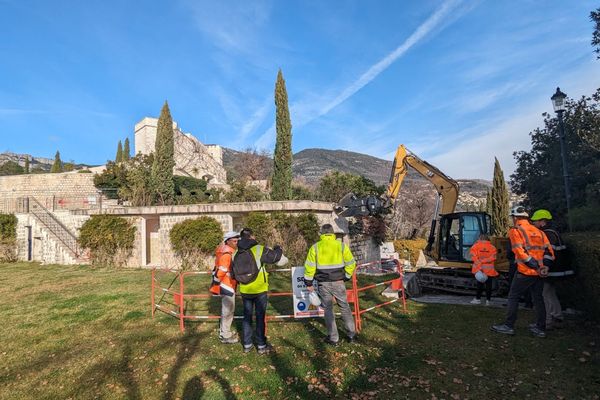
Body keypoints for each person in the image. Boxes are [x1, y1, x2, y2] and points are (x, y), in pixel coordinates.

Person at [492, 206, 554, 338]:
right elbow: (549, 252)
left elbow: (520, 253)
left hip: (525, 271)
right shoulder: (540, 232)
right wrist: (545, 267)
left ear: (515, 218)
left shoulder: (516, 230)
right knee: (538, 298)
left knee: (513, 296)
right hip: (540, 273)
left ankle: (508, 326)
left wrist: (535, 266)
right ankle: (540, 328)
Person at [236, 227, 287, 355]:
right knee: (260, 317)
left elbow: (233, 272)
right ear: (252, 236)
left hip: (244, 289)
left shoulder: (235, 252)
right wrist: (278, 248)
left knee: (247, 317)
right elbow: (275, 257)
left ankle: (247, 345)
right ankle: (261, 345)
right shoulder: (259, 249)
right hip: (259, 289)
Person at [303, 224, 357, 346]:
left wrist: (308, 283)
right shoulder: (341, 246)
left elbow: (309, 267)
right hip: (339, 281)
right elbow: (351, 263)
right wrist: (346, 276)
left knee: (328, 309)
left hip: (323, 283)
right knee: (344, 306)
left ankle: (333, 338)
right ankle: (351, 334)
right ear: (333, 233)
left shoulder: (315, 247)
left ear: (321, 233)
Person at [531, 209, 573, 329]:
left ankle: (547, 321)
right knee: (550, 293)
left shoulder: (547, 234)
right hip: (557, 270)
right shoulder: (554, 233)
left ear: (543, 221)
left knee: (544, 294)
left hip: (550, 270)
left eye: (535, 221)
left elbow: (548, 253)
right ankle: (557, 317)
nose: (534, 223)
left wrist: (544, 267)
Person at [209, 231, 240, 344]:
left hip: (226, 284)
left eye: (237, 241)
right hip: (227, 285)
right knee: (228, 311)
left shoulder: (224, 250)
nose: (237, 243)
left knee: (228, 310)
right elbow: (222, 270)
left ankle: (225, 331)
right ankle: (225, 335)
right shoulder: (227, 254)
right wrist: (216, 282)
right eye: (234, 241)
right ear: (228, 241)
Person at [469, 233, 498, 306]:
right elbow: (493, 258)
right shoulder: (492, 247)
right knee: (489, 286)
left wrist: (480, 264)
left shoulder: (475, 246)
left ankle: (477, 299)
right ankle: (488, 301)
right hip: (489, 270)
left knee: (479, 285)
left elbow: (474, 258)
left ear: (479, 238)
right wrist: (484, 261)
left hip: (479, 269)